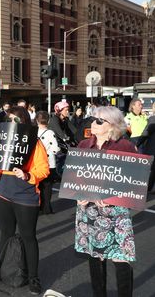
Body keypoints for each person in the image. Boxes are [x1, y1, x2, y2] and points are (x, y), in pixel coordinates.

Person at [75, 106, 137, 297]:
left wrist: (113, 197)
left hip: (116, 213)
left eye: (99, 121)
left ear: (112, 125)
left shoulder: (125, 147)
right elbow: (76, 176)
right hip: (89, 211)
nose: (93, 123)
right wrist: (78, 195)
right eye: (93, 119)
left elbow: (135, 180)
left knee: (121, 259)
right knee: (95, 257)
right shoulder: (84, 145)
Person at [0, 106, 50, 295]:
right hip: (3, 193)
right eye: (9, 119)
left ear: (23, 122)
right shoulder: (2, 141)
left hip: (26, 196)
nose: (11, 123)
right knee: (5, 234)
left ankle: (33, 278)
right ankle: (2, 271)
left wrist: (27, 175)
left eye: (15, 119)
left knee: (28, 237)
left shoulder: (35, 143)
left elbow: (44, 170)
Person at [35, 111, 60, 214]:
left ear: (36, 120)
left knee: (37, 185)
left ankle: (37, 205)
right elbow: (55, 149)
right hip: (48, 163)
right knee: (47, 186)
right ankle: (46, 208)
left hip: (36, 163)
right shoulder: (50, 133)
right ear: (48, 121)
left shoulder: (33, 132)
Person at [136, 102, 155, 193]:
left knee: (149, 170)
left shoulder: (153, 119)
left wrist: (137, 144)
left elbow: (145, 133)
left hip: (152, 149)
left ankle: (146, 190)